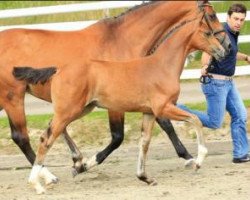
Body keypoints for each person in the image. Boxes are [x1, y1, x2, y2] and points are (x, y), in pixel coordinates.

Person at [178, 3, 250, 163]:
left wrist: (245, 57)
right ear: (228, 18)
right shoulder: (220, 31)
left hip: (228, 83)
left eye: (242, 19)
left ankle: (241, 153)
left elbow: (231, 52)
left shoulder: (233, 33)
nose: (239, 22)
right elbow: (207, 50)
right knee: (214, 121)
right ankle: (175, 109)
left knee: (240, 115)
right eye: (236, 18)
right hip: (215, 82)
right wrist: (204, 66)